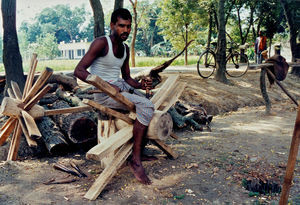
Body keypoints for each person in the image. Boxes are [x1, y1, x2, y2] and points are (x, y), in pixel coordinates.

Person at [74, 8, 154, 185]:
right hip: (103, 94)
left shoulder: (125, 49)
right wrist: (104, 84)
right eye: (121, 26)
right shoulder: (101, 43)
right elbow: (79, 71)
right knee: (147, 107)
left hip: (120, 87)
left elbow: (126, 78)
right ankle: (135, 159)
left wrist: (141, 85)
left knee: (148, 101)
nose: (125, 30)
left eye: (128, 27)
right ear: (112, 25)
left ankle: (138, 150)